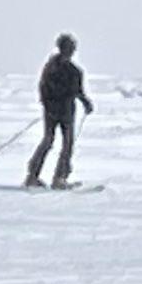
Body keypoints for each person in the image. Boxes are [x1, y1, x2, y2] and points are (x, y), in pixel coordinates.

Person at [27, 31, 91, 187]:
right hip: (57, 111)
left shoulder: (72, 70)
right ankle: (37, 176)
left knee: (65, 143)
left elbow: (78, 91)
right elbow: (44, 88)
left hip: (65, 111)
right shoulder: (53, 68)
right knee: (52, 141)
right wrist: (47, 103)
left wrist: (86, 102)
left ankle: (58, 177)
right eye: (68, 48)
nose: (70, 51)